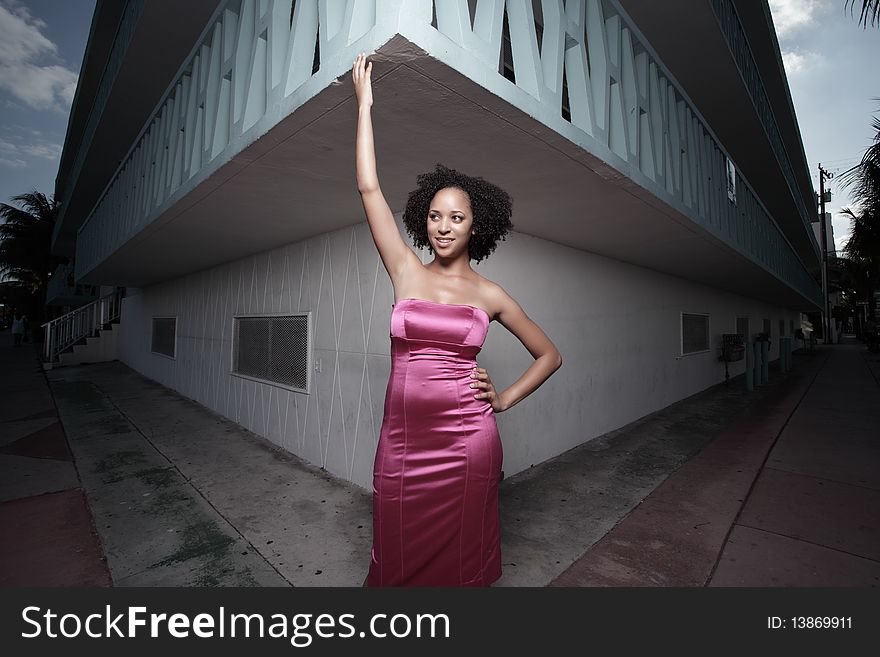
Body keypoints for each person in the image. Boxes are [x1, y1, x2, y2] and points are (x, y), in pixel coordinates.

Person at [352, 53, 563, 586]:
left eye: (457, 217)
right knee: (393, 554)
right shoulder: (404, 270)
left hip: (468, 439)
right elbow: (369, 189)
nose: (444, 227)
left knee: (464, 561)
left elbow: (550, 354)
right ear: (424, 220)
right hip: (402, 440)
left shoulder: (490, 294)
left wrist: (504, 398)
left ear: (476, 226)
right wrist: (365, 106)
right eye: (435, 216)